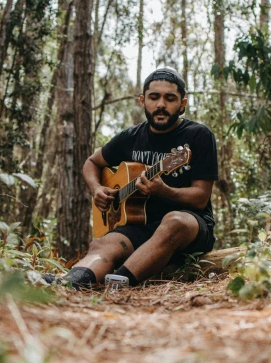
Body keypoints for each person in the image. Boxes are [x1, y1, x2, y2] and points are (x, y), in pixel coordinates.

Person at [46, 67, 219, 289]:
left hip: (191, 228)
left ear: (182, 104)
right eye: (154, 97)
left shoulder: (197, 136)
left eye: (170, 98)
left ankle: (118, 284)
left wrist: (163, 190)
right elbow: (92, 162)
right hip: (141, 228)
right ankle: (68, 284)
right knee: (104, 243)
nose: (161, 105)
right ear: (142, 100)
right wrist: (96, 189)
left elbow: (200, 198)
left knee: (175, 221)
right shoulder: (131, 137)